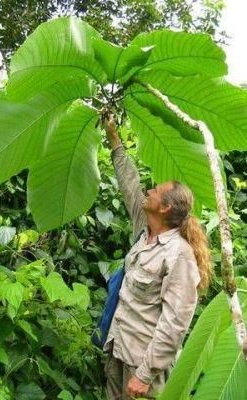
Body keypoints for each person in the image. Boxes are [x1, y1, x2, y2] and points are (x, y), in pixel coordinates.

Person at [103, 115, 212, 399]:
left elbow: (175, 322)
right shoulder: (145, 230)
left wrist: (145, 374)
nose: (148, 191)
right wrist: (114, 138)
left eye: (155, 191)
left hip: (144, 366)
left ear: (164, 208)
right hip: (118, 347)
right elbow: (129, 184)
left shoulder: (179, 255)